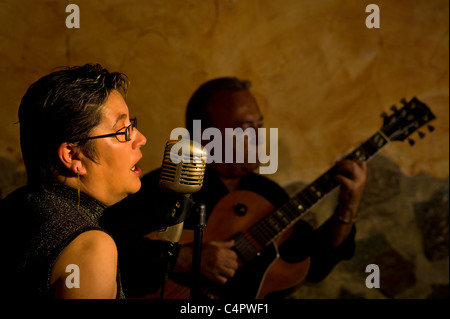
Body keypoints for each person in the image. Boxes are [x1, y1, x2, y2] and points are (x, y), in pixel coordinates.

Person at [101, 77, 366, 299]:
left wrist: (349, 203)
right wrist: (185, 258)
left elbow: (315, 265)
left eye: (259, 125)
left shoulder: (267, 193)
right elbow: (108, 246)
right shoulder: (167, 186)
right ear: (207, 137)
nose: (259, 138)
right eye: (245, 128)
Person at [0, 64, 147, 299]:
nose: (141, 139)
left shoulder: (14, 204)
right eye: (122, 131)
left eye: (133, 126)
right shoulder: (91, 247)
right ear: (73, 155)